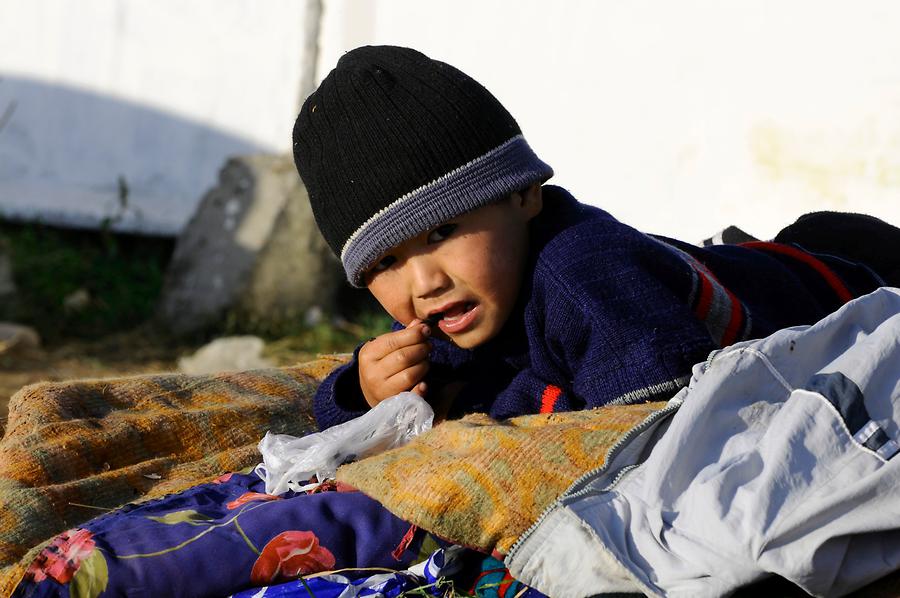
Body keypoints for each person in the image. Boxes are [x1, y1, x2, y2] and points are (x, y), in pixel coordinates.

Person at [292, 45, 895, 431]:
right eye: (387, 263)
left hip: (840, 282)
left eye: (444, 231)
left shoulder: (582, 275)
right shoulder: (460, 300)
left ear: (525, 194)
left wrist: (481, 405)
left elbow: (650, 425)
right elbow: (421, 374)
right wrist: (366, 391)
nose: (424, 281)